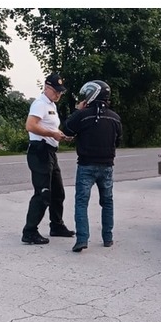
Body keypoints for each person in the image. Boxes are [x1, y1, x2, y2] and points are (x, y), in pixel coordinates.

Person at [63, 80, 122, 253]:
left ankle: (82, 239)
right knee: (107, 202)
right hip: (107, 166)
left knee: (82, 202)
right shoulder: (115, 117)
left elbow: (66, 129)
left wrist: (78, 110)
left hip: (86, 165)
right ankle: (108, 238)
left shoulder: (83, 115)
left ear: (92, 94)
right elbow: (118, 140)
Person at [21, 73, 76, 245]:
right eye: (56, 91)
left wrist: (59, 135)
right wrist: (52, 134)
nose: (58, 94)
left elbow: (50, 126)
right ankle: (29, 232)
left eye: (60, 92)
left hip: (50, 152)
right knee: (43, 193)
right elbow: (30, 126)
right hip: (40, 152)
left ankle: (57, 226)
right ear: (47, 87)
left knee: (58, 192)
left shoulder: (51, 105)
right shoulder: (40, 104)